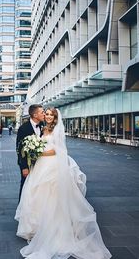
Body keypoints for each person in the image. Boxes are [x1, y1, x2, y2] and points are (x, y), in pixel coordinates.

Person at [15, 108, 112, 259]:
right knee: (37, 194)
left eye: (50, 115)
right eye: (45, 114)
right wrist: (34, 152)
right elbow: (22, 147)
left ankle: (53, 229)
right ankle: (38, 227)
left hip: (51, 165)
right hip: (40, 165)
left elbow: (57, 150)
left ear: (55, 117)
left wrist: (38, 151)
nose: (47, 116)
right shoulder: (42, 128)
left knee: (52, 196)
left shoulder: (57, 129)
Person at [16, 104, 45, 201]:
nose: (44, 114)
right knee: (25, 185)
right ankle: (22, 208)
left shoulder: (42, 126)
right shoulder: (23, 128)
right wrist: (24, 167)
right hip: (27, 164)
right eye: (42, 112)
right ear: (35, 115)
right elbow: (19, 150)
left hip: (40, 163)